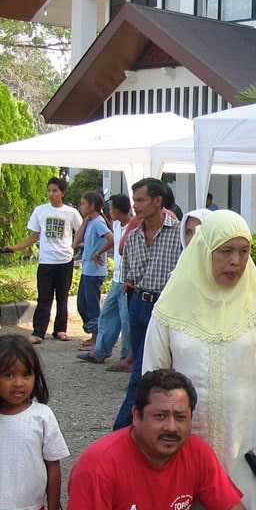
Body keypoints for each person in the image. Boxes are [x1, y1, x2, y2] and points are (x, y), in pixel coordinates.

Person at [143, 210, 256, 510]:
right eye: (225, 251)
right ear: (204, 250)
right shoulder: (170, 308)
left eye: (244, 251)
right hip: (186, 448)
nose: (236, 261)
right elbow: (151, 379)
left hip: (249, 444)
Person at [56, 369, 251, 510]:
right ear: (136, 416)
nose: (171, 427)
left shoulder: (196, 452)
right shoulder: (98, 465)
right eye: (160, 416)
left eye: (180, 416)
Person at [113, 177, 182, 430]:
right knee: (144, 367)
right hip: (139, 304)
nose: (136, 206)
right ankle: (144, 422)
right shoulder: (132, 238)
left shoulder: (178, 234)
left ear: (158, 201)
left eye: (141, 200)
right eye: (134, 201)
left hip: (164, 307)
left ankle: (122, 428)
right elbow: (130, 277)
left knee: (142, 370)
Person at [0, 334, 69, 510]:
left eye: (25, 374)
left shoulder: (41, 416)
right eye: (8, 375)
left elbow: (53, 466)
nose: (18, 382)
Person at [3, 176, 82, 345]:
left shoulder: (71, 212)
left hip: (65, 261)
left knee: (62, 297)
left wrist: (73, 247)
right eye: (49, 190)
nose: (51, 194)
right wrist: (15, 248)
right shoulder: (40, 211)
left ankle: (60, 330)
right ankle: (39, 332)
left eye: (55, 191)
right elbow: (34, 236)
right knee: (44, 297)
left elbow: (81, 231)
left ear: (63, 193)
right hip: (46, 261)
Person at [77, 194, 133, 370]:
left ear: (118, 209)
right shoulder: (116, 224)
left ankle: (126, 357)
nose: (109, 210)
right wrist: (98, 252)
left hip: (127, 280)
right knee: (108, 315)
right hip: (117, 278)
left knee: (126, 320)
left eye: (111, 206)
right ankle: (100, 351)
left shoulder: (134, 226)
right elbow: (112, 241)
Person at [73, 191, 114, 352]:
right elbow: (77, 241)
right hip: (87, 270)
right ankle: (93, 334)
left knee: (91, 305)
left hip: (95, 271)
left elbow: (111, 239)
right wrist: (85, 220)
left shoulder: (98, 222)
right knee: (82, 304)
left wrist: (98, 253)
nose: (81, 206)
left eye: (83, 204)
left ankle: (96, 338)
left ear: (92, 205)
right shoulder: (91, 221)